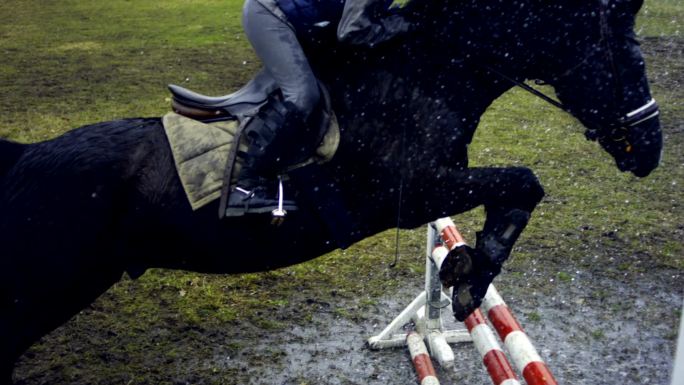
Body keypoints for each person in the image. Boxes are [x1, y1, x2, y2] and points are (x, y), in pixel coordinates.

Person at [225, 0, 412, 216]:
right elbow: (352, 31)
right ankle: (246, 186)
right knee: (303, 96)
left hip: (310, 25)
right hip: (269, 15)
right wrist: (404, 24)